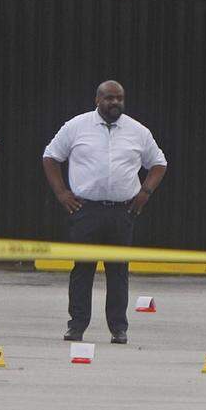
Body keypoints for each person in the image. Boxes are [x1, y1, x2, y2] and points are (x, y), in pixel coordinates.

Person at [42, 81, 167, 345]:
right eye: (110, 98)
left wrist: (145, 192)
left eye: (120, 98)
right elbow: (51, 157)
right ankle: (76, 326)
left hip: (122, 212)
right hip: (86, 210)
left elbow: (158, 163)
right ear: (97, 99)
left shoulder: (137, 130)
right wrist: (61, 193)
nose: (115, 103)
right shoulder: (76, 126)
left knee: (118, 272)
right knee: (82, 270)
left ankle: (118, 328)